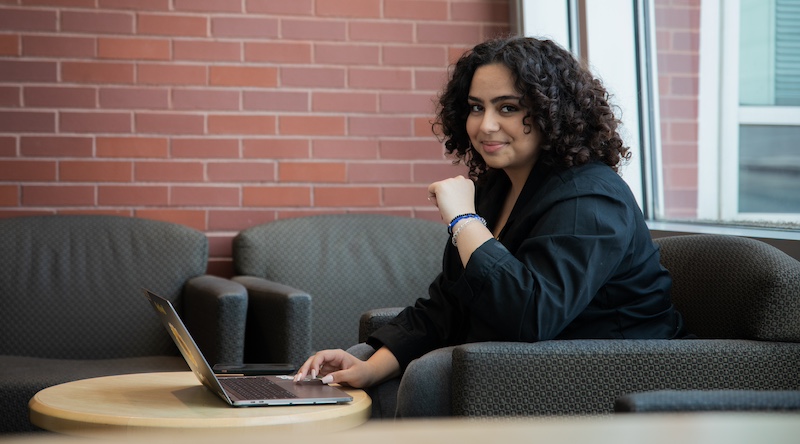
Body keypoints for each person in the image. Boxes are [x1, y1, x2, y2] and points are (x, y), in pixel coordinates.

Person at [294, 35, 689, 417]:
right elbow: (449, 301)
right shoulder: (496, 189)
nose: (485, 126)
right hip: (519, 362)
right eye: (476, 107)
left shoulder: (591, 198)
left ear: (554, 112)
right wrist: (370, 366)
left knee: (430, 376)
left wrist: (464, 220)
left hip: (615, 371)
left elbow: (531, 315)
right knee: (364, 374)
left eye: (507, 108)